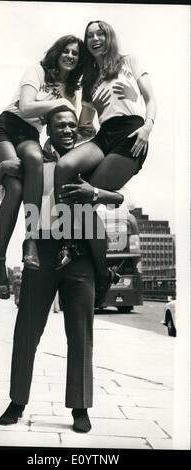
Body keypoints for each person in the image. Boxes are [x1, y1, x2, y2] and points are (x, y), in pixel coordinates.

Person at [0, 106, 126, 433]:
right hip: (42, 248)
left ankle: (80, 408)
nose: (68, 130)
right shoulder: (33, 162)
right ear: (48, 131)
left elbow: (118, 197)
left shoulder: (91, 161)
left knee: (81, 335)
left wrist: (93, 191)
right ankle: (17, 400)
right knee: (27, 329)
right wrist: (1, 168)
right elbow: (8, 197)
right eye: (61, 126)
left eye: (72, 125)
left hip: (79, 254)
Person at [54, 20, 157, 304]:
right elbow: (86, 126)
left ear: (109, 36)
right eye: (90, 35)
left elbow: (151, 98)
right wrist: (66, 134)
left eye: (100, 33)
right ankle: (68, 239)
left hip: (131, 132)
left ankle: (102, 272)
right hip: (104, 134)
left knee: (85, 200)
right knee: (64, 168)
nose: (95, 38)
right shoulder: (89, 79)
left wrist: (148, 126)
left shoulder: (128, 61)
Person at [0, 35, 84, 300]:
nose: (70, 56)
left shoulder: (71, 90)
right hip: (4, 129)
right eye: (66, 50)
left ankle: (31, 239)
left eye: (76, 53)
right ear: (57, 52)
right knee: (14, 189)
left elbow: (71, 124)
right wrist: (61, 103)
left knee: (36, 160)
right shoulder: (37, 70)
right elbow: (26, 107)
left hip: (29, 135)